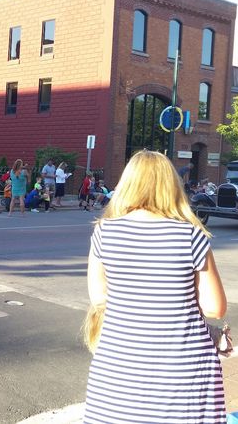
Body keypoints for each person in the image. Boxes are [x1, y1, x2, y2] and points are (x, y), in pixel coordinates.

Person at [82, 150, 227, 423]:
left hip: (117, 372)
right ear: (171, 186)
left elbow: (99, 297)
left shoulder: (104, 231)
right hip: (184, 376)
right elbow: (215, 308)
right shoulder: (190, 234)